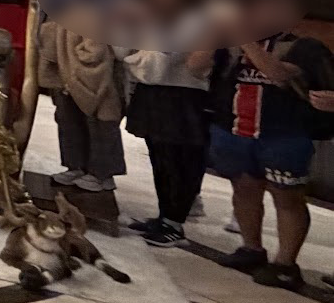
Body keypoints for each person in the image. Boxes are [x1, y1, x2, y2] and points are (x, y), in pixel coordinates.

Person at [208, 31, 334, 289]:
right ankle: (251, 249)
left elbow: (278, 74)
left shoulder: (301, 46)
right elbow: (195, 68)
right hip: (236, 128)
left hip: (284, 134)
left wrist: (245, 41)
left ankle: (285, 265)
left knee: (287, 198)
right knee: (244, 189)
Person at [121, 47, 213, 248]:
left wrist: (137, 57)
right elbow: (124, 51)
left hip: (186, 94)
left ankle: (174, 223)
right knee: (160, 158)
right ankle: (164, 216)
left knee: (180, 161)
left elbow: (158, 65)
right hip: (153, 91)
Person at [37, 18, 126, 192]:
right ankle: (75, 166)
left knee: (100, 122)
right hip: (65, 69)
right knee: (68, 118)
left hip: (95, 72)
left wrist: (81, 62)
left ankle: (102, 174)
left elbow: (99, 47)